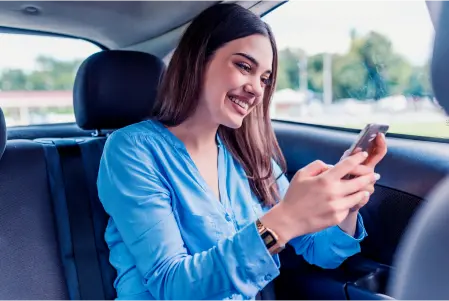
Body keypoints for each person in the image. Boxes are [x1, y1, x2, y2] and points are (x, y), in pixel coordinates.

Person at [96, 3, 387, 301]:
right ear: (199, 60)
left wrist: (347, 202)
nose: (257, 90)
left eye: (264, 78)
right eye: (244, 67)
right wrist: (285, 219)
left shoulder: (249, 159)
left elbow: (322, 252)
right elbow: (174, 286)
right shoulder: (132, 150)